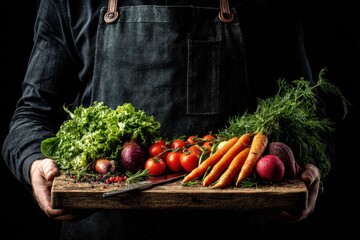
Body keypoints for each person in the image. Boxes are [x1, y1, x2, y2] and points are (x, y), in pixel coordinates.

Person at [2, 0, 331, 239]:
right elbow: (31, 114)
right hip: (104, 228)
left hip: (234, 228)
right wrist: (35, 164)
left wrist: (312, 167)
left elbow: (312, 116)